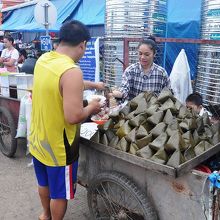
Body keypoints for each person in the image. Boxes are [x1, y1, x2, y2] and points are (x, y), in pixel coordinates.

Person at [29, 20, 102, 220]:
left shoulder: (44, 60)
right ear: (83, 44)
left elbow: (64, 83)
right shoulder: (72, 71)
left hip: (38, 139)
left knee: (44, 183)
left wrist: (95, 84)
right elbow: (73, 117)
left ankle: (45, 215)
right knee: (59, 193)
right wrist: (93, 107)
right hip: (60, 148)